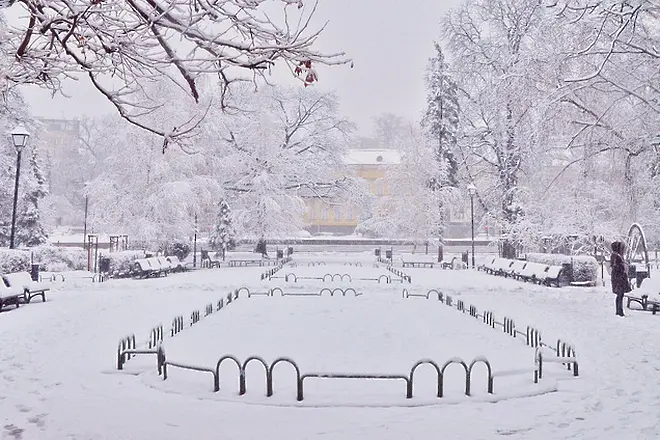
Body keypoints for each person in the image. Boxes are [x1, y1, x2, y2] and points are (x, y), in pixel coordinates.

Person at [610, 241, 631, 317]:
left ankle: (619, 310)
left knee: (620, 295)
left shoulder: (615, 256)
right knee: (620, 295)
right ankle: (619, 311)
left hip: (618, 278)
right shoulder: (617, 257)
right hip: (619, 279)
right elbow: (618, 267)